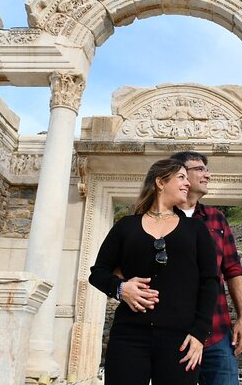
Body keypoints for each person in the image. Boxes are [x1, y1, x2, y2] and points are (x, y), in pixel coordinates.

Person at [89, 158, 218, 385]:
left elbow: (210, 282)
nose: (187, 184)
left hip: (181, 340)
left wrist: (199, 334)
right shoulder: (125, 226)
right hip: (128, 335)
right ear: (160, 182)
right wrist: (121, 288)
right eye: (181, 177)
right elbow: (98, 272)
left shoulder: (196, 229)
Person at [170, 151, 242, 385]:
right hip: (174, 333)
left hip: (217, 332)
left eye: (207, 169)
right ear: (180, 175)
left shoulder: (217, 219)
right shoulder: (158, 219)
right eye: (200, 170)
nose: (208, 175)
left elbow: (233, 270)